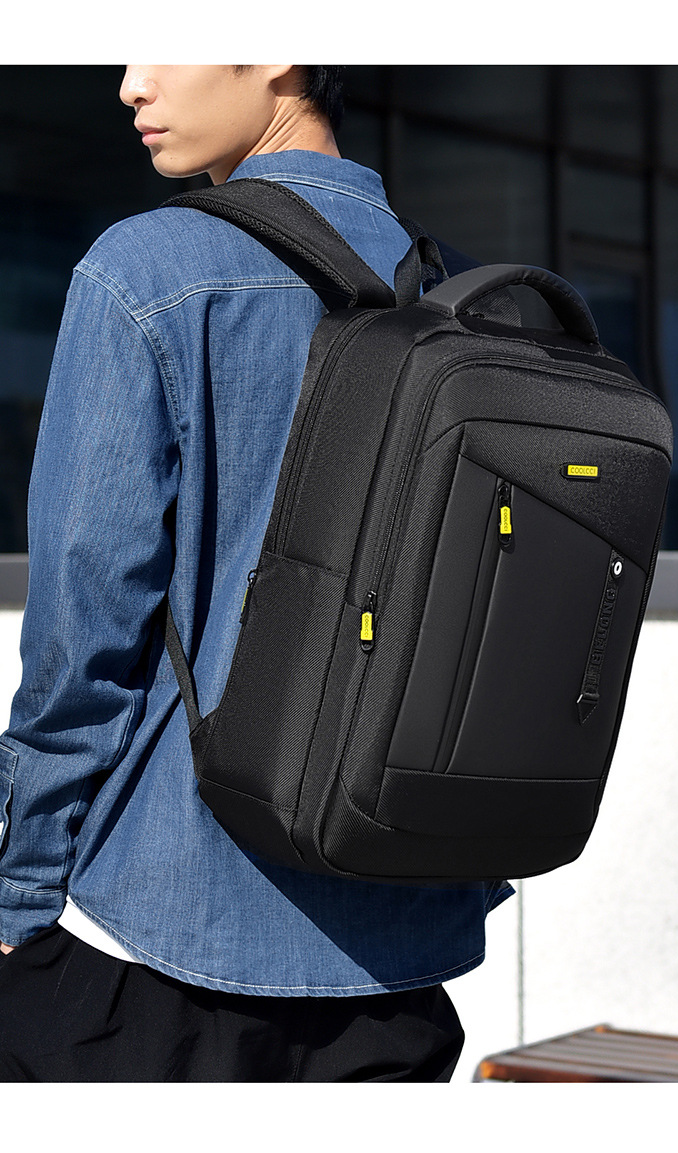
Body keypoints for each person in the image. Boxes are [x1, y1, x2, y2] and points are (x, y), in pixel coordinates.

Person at [0, 65, 513, 1082]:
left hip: (164, 934)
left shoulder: (147, 270)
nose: (130, 84)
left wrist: (19, 885)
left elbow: (84, 629)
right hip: (402, 948)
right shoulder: (471, 298)